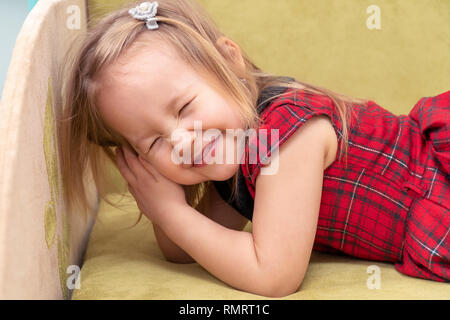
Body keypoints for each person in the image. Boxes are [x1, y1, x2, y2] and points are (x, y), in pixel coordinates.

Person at [59, 0, 449, 297]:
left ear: (231, 62)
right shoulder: (235, 154)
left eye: (183, 108)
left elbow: (274, 275)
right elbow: (187, 250)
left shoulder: (283, 133)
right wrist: (163, 196)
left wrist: (170, 212)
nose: (181, 141)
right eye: (155, 141)